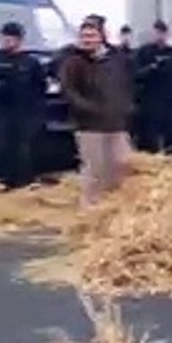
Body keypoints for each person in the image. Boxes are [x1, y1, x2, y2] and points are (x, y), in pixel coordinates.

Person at [58, 18, 135, 207]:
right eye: (84, 36)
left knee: (121, 165)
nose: (87, 40)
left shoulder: (117, 60)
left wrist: (127, 107)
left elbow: (128, 84)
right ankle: (90, 210)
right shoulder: (73, 61)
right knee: (94, 170)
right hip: (89, 125)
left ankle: (113, 206)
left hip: (117, 123)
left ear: (102, 37)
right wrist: (86, 108)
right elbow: (68, 91)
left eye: (92, 35)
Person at [0, 21, 47, 190]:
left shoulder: (30, 62)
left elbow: (40, 86)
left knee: (24, 147)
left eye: (12, 39)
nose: (8, 42)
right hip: (0, 109)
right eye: (5, 38)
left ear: (20, 40)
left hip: (24, 111)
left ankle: (24, 181)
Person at [133, 20, 172, 155]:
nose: (160, 36)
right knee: (148, 141)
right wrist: (152, 67)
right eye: (157, 32)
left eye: (163, 33)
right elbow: (135, 75)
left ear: (167, 34)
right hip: (149, 101)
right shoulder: (143, 52)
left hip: (170, 101)